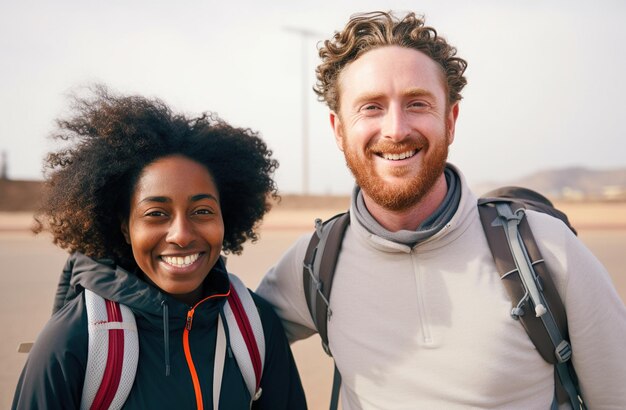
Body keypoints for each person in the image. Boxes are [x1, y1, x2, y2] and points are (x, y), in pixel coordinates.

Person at [256, 10, 626, 409]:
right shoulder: (312, 264)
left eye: (417, 103)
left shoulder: (549, 250)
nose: (396, 129)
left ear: (450, 121)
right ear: (338, 130)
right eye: (371, 107)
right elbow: (218, 333)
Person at [12, 86, 307, 409]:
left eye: (202, 211)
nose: (181, 234)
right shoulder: (74, 341)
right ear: (124, 226)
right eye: (156, 214)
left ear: (227, 215)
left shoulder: (254, 326)